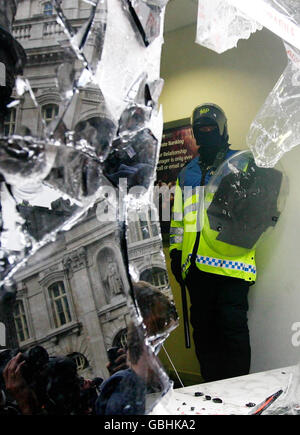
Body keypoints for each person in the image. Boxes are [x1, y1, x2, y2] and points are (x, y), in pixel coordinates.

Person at [169, 103, 256, 383]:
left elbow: (258, 212)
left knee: (232, 333)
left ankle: (240, 397)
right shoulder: (187, 173)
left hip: (231, 268)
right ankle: (213, 394)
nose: (206, 133)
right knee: (204, 334)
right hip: (196, 270)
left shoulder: (242, 162)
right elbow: (179, 220)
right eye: (200, 130)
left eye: (211, 128)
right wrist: (175, 252)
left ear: (222, 129)